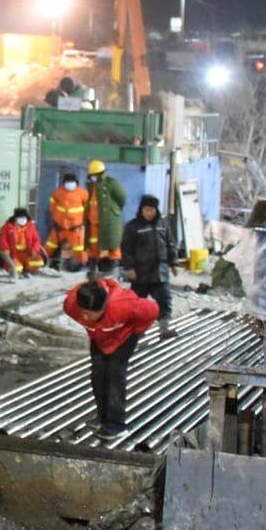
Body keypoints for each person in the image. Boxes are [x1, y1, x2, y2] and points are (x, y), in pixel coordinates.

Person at [63, 278, 159, 440]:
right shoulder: (72, 306)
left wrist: (135, 331)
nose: (86, 317)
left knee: (115, 374)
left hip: (124, 336)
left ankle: (116, 424)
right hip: (100, 337)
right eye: (84, 313)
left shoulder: (123, 305)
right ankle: (102, 417)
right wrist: (96, 326)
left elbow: (153, 310)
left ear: (104, 307)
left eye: (91, 313)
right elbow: (82, 313)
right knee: (98, 373)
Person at [121, 194, 179, 338]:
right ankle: (137, 331)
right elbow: (126, 249)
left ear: (156, 210)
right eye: (146, 210)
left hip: (160, 271)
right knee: (138, 303)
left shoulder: (163, 225)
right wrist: (129, 268)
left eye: (151, 210)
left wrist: (173, 263)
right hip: (141, 272)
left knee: (164, 300)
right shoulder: (133, 227)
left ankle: (164, 328)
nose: (148, 213)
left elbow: (170, 244)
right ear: (141, 210)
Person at [85, 160, 128, 274]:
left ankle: (113, 267)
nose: (94, 177)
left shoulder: (111, 183)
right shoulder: (90, 186)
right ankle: (93, 266)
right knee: (93, 244)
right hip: (92, 222)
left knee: (112, 243)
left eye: (95, 175)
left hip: (108, 222)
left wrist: (114, 211)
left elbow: (122, 198)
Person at [46, 172, 88, 271]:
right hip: (59, 227)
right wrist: (57, 218)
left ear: (76, 182)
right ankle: (44, 262)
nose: (70, 184)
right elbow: (53, 206)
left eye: (72, 182)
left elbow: (88, 209)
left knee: (79, 249)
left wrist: (82, 222)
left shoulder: (83, 193)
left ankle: (84, 265)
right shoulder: (58, 192)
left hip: (75, 229)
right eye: (68, 182)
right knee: (50, 246)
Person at [0, 206, 44, 275]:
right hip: (14, 254)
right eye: (20, 218)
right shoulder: (7, 227)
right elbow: (2, 239)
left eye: (24, 218)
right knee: (16, 269)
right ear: (15, 218)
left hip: (27, 253)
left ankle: (27, 269)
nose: (22, 220)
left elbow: (36, 239)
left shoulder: (31, 226)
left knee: (38, 262)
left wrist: (35, 250)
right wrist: (5, 249)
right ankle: (18, 270)